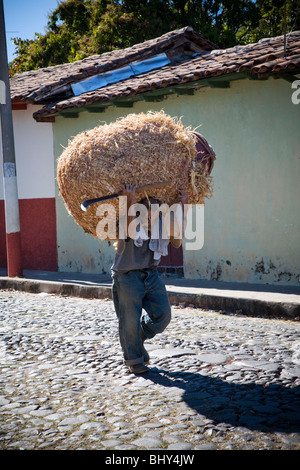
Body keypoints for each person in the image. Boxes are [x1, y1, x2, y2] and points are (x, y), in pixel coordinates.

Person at [111, 183, 188, 374]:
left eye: (156, 208)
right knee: (129, 321)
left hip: (151, 274)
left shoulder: (161, 223)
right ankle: (134, 361)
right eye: (147, 208)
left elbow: (177, 241)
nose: (152, 213)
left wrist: (184, 206)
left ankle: (139, 334)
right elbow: (128, 232)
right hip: (127, 276)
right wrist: (129, 199)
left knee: (163, 314)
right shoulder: (128, 218)